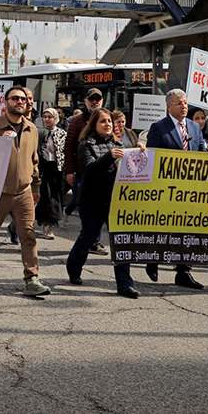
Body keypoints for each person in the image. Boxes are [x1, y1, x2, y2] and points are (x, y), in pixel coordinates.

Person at [0, 85, 51, 297]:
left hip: (24, 192)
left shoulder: (32, 129)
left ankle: (32, 278)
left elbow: (34, 160)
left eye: (23, 99)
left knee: (28, 236)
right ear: (6, 102)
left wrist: (35, 185)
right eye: (15, 98)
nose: (20, 102)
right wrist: (1, 142)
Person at [66, 108, 137, 297]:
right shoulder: (85, 144)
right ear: (94, 125)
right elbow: (89, 168)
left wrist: (141, 153)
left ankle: (125, 285)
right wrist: (110, 156)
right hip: (92, 200)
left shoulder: (119, 143)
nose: (107, 124)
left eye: (109, 121)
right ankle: (73, 267)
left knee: (120, 240)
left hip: (115, 200)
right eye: (103, 121)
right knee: (88, 236)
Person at [141, 88, 205, 290]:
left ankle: (183, 271)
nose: (184, 106)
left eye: (185, 103)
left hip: (190, 189)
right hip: (166, 190)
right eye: (179, 103)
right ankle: (153, 259)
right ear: (168, 106)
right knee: (164, 227)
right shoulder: (159, 127)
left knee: (187, 229)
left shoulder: (194, 127)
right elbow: (152, 156)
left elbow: (202, 151)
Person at [63, 89, 107, 254]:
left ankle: (93, 241)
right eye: (91, 99)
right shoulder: (77, 121)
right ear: (85, 101)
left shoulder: (107, 119)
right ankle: (90, 240)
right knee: (86, 207)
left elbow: (117, 142)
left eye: (98, 99)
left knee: (100, 208)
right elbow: (69, 147)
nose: (95, 102)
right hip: (83, 172)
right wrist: (69, 171)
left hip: (103, 174)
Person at [36, 107, 66, 240]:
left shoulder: (62, 133)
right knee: (44, 197)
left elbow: (65, 152)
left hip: (57, 169)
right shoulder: (38, 133)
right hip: (42, 169)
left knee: (55, 196)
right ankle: (45, 225)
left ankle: (52, 223)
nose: (47, 119)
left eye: (50, 117)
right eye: (45, 117)